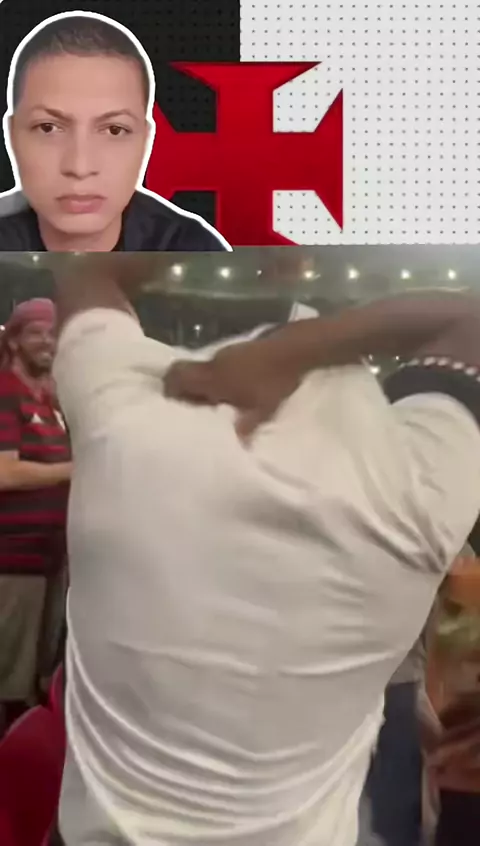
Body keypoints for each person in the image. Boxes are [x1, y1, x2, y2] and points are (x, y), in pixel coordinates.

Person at [51, 254, 480, 846]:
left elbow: (87, 274)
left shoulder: (123, 432)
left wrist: (215, 231)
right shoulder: (412, 504)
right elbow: (468, 322)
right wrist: (295, 351)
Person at [0, 12, 230, 252]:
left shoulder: (196, 252)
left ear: (145, 142)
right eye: (48, 128)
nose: (80, 167)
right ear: (12, 136)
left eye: (114, 130)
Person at [0, 298, 71, 732]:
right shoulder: (5, 392)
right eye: (35, 333)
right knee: (8, 677)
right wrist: (75, 469)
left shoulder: (47, 399)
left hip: (48, 559)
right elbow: (4, 472)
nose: (47, 341)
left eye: (52, 332)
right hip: (12, 561)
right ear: (14, 341)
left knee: (33, 677)